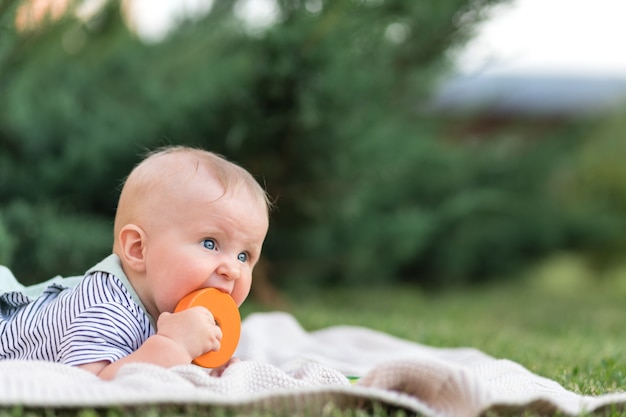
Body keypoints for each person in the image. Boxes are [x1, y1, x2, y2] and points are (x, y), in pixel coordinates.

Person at [0, 146, 271, 380]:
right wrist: (173, 346)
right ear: (139, 249)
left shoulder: (167, 308)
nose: (233, 269)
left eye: (244, 256)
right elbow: (87, 387)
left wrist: (207, 367)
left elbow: (152, 362)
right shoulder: (105, 309)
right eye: (210, 243)